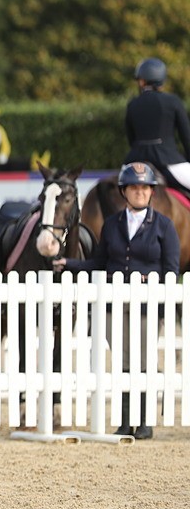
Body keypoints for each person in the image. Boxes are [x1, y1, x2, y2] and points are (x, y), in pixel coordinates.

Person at [54, 162, 179, 440]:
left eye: (144, 188)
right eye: (134, 188)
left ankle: (143, 421)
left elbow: (171, 271)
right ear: (124, 192)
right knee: (122, 361)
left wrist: (154, 288)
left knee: (142, 361)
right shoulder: (112, 225)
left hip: (146, 305)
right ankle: (124, 422)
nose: (139, 192)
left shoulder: (164, 226)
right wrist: (69, 264)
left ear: (152, 192)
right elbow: (99, 263)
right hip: (114, 304)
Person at [123, 57, 190, 201]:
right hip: (169, 161)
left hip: (136, 161)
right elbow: (187, 138)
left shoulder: (132, 104)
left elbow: (131, 139)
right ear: (162, 81)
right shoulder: (173, 101)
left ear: (142, 81)